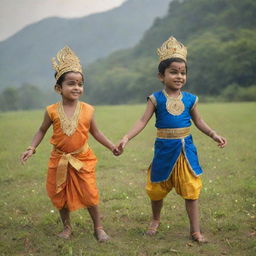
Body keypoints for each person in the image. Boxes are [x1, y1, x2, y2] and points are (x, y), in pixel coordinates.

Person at [117, 36, 227, 243]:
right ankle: (155, 219)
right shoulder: (155, 98)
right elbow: (142, 121)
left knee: (191, 189)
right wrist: (126, 138)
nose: (179, 76)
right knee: (156, 189)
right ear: (161, 75)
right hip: (164, 150)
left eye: (183, 72)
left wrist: (213, 134)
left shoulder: (190, 99)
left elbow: (199, 121)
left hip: (186, 150)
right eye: (173, 72)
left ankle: (195, 231)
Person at [20, 46, 120, 242]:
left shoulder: (88, 109)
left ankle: (98, 228)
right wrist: (31, 147)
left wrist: (112, 146)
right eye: (71, 84)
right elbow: (41, 130)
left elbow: (96, 132)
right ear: (59, 88)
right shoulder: (51, 111)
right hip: (59, 160)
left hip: (82, 159)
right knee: (61, 195)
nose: (77, 88)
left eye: (80, 84)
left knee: (90, 193)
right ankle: (67, 227)